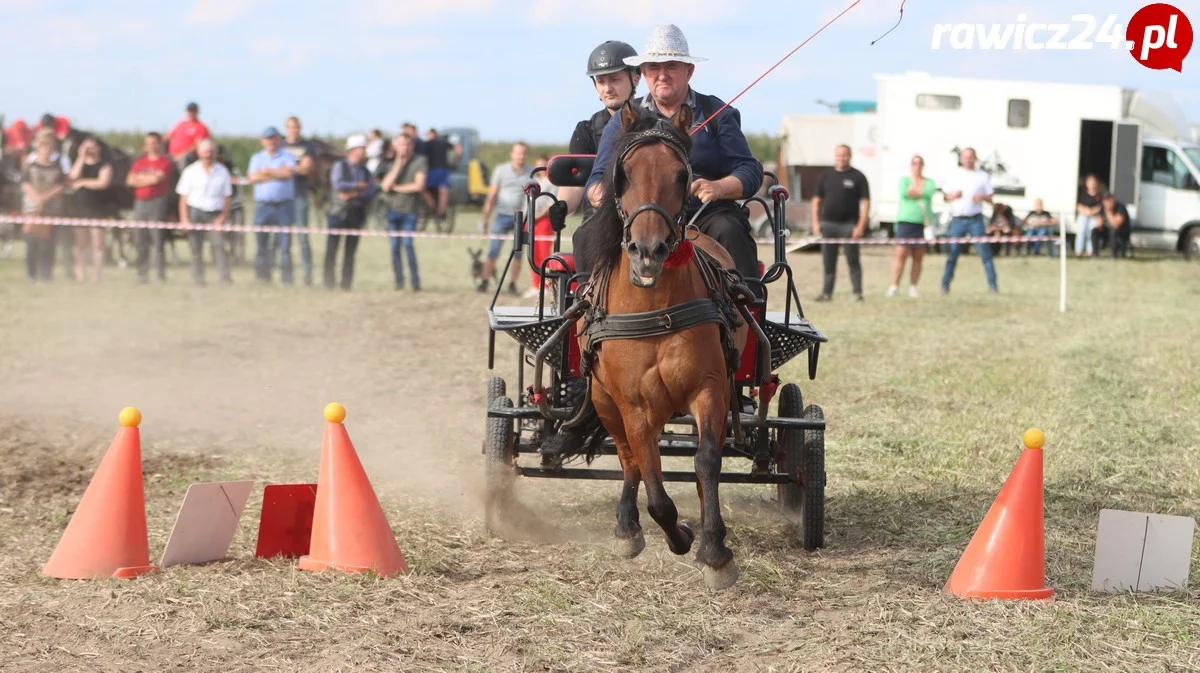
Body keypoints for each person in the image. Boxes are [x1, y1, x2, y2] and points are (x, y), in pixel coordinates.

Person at [585, 24, 762, 288]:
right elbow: (598, 177)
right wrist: (599, 194)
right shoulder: (625, 118)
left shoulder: (717, 113)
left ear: (689, 71)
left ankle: (749, 312)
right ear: (643, 73)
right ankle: (584, 310)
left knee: (731, 229)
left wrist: (719, 187)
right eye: (654, 68)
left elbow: (749, 170)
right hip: (639, 216)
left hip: (704, 216)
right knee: (586, 233)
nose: (662, 75)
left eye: (671, 67)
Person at [562, 39, 642, 275]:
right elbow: (574, 185)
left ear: (635, 78)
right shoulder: (585, 130)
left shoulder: (652, 122)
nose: (607, 88)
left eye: (615, 79)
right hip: (599, 218)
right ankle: (586, 302)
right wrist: (560, 207)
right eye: (601, 80)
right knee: (585, 237)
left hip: (645, 213)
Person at [812, 144, 870, 301]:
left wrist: (860, 226)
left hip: (849, 226)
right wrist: (816, 223)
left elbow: (865, 203)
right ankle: (826, 294)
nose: (841, 157)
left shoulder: (858, 177)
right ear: (835, 156)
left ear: (850, 156)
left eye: (844, 155)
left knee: (853, 261)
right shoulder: (826, 176)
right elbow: (816, 200)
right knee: (828, 263)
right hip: (828, 225)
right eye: (839, 155)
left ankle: (858, 293)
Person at [939, 147, 998, 294]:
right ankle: (945, 285)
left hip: (975, 220)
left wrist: (982, 198)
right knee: (952, 254)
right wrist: (953, 196)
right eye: (965, 157)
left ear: (975, 158)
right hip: (958, 220)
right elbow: (945, 197)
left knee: (985, 254)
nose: (968, 159)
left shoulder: (982, 176)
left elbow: (991, 199)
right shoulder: (954, 175)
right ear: (961, 159)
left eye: (971, 156)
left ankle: (993, 285)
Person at [175, 138, 234, 286]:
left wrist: (222, 218)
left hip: (215, 213)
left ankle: (224, 279)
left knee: (219, 247)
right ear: (198, 153)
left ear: (215, 153)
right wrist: (184, 220)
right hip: (195, 213)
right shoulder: (190, 171)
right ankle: (198, 280)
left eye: (211, 151)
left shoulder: (223, 172)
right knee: (195, 249)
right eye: (205, 151)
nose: (208, 154)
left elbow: (227, 198)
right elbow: (183, 198)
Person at [323, 134, 376, 291]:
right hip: (337, 213)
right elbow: (338, 185)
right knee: (332, 250)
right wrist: (359, 186)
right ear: (353, 150)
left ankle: (346, 284)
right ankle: (328, 283)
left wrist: (353, 193)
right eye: (362, 148)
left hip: (356, 213)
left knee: (350, 252)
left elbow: (370, 190)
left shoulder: (366, 171)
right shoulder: (340, 166)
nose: (364, 152)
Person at [246, 126, 297, 284]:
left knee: (285, 246)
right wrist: (277, 173)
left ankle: (286, 280)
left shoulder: (287, 156)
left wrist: (267, 172)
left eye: (274, 138)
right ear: (263, 141)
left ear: (279, 139)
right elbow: (253, 178)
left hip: (284, 206)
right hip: (263, 206)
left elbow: (288, 173)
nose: (271, 141)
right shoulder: (257, 158)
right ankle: (262, 278)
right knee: (261, 245)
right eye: (268, 138)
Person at [477, 142, 530, 294]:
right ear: (511, 154)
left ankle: (512, 284)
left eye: (523, 153)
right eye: (518, 153)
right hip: (501, 216)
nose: (521, 156)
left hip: (520, 218)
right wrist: (485, 217)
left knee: (517, 252)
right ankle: (484, 281)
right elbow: (492, 194)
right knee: (493, 250)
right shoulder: (501, 170)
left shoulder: (530, 173)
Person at [378, 132, 428, 291]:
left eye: (407, 145)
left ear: (412, 146)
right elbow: (385, 186)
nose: (404, 148)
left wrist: (398, 188)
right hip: (392, 211)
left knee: (407, 245)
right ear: (395, 146)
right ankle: (399, 281)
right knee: (394, 247)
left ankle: (415, 281)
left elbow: (419, 185)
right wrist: (398, 164)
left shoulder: (420, 161)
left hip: (410, 211)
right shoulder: (389, 162)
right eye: (401, 144)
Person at [125, 132, 174, 284]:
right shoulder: (139, 162)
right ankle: (142, 274)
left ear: (159, 144)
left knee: (157, 239)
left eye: (154, 142)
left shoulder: (165, 162)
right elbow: (130, 180)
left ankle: (160, 275)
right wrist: (146, 180)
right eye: (148, 143)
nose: (151, 145)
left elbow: (157, 179)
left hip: (157, 203)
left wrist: (141, 179)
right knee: (140, 240)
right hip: (140, 203)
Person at [20, 129, 67, 282]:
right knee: (31, 243)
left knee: (49, 244)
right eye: (43, 146)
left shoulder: (56, 167)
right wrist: (37, 200)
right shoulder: (30, 166)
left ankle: (47, 275)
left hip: (51, 209)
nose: (45, 150)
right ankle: (31, 275)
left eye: (48, 146)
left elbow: (60, 186)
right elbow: (25, 184)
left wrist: (45, 199)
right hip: (31, 209)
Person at [67, 136, 113, 284]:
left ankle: (96, 276)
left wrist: (82, 183)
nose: (89, 150)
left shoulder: (105, 165)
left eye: (92, 147)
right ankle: (80, 275)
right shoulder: (79, 164)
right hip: (80, 208)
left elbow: (102, 183)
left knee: (97, 244)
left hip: (98, 208)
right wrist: (81, 157)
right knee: (80, 244)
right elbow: (72, 177)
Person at [889, 154, 934, 298]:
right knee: (901, 255)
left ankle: (913, 286)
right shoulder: (904, 180)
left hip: (921, 223)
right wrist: (918, 192)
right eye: (914, 163)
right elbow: (904, 193)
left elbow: (928, 192)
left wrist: (915, 192)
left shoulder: (929, 182)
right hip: (905, 221)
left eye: (920, 163)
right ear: (911, 165)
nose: (917, 166)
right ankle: (894, 285)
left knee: (918, 256)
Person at [282, 116, 317, 286]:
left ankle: (307, 275)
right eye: (290, 127)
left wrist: (286, 170)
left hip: (300, 195)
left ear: (300, 128)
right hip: (283, 197)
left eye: (296, 127)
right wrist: (294, 168)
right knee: (284, 239)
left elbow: (306, 168)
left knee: (302, 238)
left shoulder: (308, 146)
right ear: (286, 128)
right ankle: (287, 277)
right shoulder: (280, 145)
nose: (293, 130)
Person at [1074, 174, 1103, 258]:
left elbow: (1100, 207)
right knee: (1081, 231)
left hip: (1094, 217)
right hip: (1083, 215)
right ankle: (1078, 251)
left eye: (1094, 182)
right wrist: (1086, 211)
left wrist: (1091, 211)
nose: (1092, 184)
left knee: (1091, 233)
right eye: (1090, 182)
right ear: (1087, 183)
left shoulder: (1099, 196)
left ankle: (1090, 251)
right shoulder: (1082, 194)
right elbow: (1078, 205)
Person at [1096, 192, 1131, 258]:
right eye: (1104, 200)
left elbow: (1116, 225)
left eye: (1108, 199)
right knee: (1094, 231)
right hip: (1109, 230)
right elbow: (1099, 222)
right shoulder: (1102, 207)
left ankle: (1114, 255)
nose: (1106, 202)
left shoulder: (1120, 207)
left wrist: (1108, 211)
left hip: (1122, 231)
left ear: (1113, 199)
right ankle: (1095, 254)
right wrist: (1100, 223)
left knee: (1113, 231)